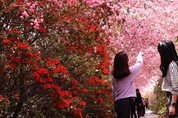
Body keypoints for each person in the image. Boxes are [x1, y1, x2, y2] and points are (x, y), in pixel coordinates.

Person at [112, 51, 143, 118]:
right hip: (125, 102)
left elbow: (113, 90)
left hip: (117, 102)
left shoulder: (114, 76)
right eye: (128, 60)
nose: (129, 61)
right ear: (124, 62)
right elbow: (139, 64)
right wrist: (139, 55)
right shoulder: (129, 72)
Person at [158, 40, 178, 118]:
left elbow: (175, 86)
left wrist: (173, 105)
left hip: (174, 98)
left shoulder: (172, 65)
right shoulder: (170, 65)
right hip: (172, 97)